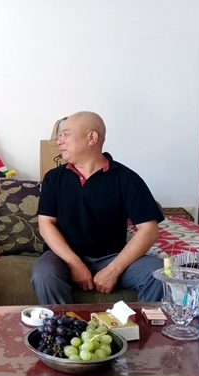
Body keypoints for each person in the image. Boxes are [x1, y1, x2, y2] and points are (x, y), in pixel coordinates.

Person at [31, 111, 164, 305]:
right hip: (62, 258)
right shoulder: (54, 178)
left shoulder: (127, 179)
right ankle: (64, 323)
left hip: (112, 257)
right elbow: (46, 224)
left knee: (159, 273)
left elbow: (149, 230)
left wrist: (113, 270)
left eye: (66, 134)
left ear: (91, 138)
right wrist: (75, 263)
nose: (59, 141)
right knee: (44, 275)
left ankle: (140, 324)